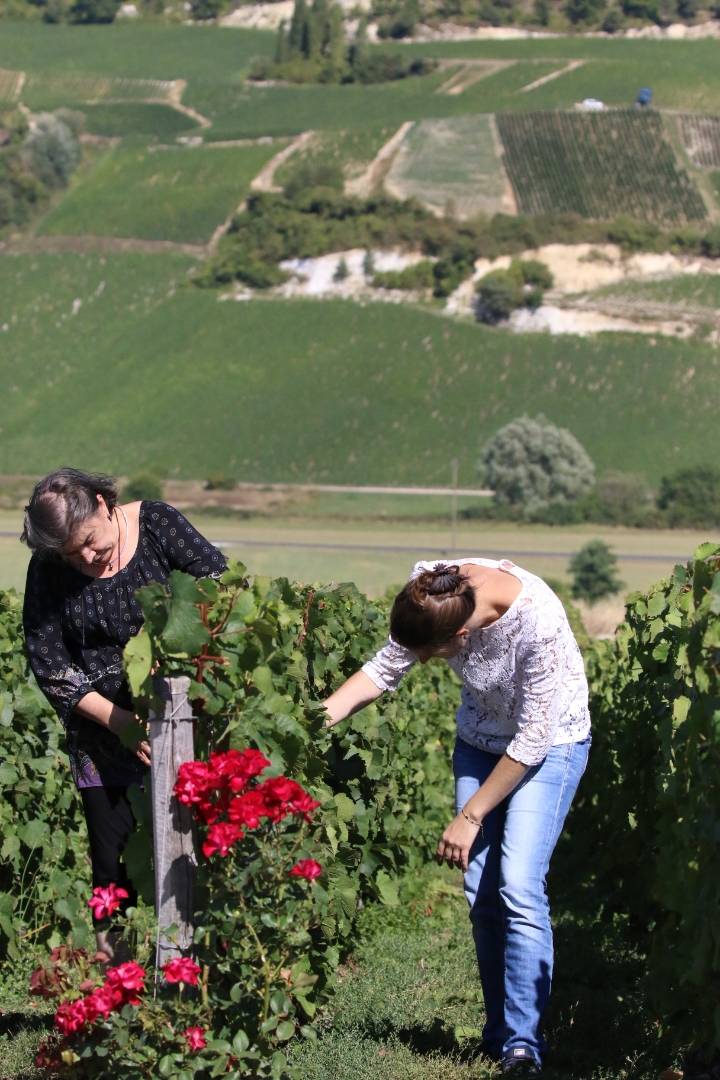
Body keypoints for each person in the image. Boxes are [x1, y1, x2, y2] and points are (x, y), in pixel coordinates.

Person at [323, 558, 591, 1076]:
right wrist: (314, 719)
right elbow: (384, 668)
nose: (421, 662)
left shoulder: (538, 621)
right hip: (480, 742)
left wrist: (470, 816)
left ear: (463, 635)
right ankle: (500, 1035)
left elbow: (533, 740)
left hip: (550, 746)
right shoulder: (434, 592)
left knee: (518, 884)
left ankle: (523, 1045)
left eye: (431, 655)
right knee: (482, 891)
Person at [21, 468, 227, 962]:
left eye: (90, 541)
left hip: (185, 719)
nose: (88, 558)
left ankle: (198, 968)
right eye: (74, 554)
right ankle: (119, 984)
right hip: (102, 737)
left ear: (102, 502)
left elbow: (217, 583)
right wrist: (119, 722)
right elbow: (50, 664)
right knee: (112, 865)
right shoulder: (50, 569)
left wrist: (172, 646)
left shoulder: (156, 524)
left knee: (195, 850)